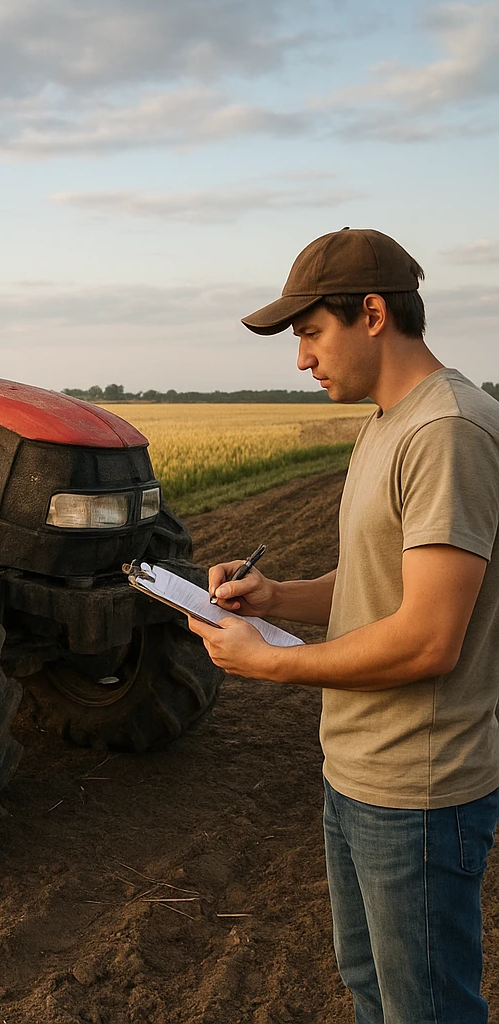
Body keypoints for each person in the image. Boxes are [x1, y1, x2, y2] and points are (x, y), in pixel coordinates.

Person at [188, 227, 499, 1024]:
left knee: (424, 1012)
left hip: (417, 793)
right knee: (371, 993)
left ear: (373, 314)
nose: (301, 359)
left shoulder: (446, 431)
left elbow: (429, 637)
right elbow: (375, 585)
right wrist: (275, 598)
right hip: (355, 774)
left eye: (311, 333)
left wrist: (271, 663)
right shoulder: (388, 422)